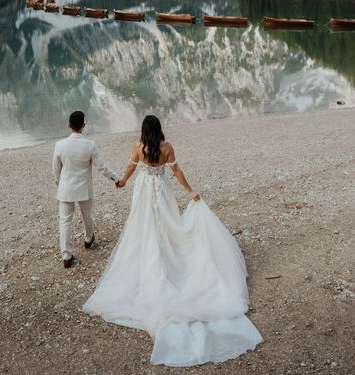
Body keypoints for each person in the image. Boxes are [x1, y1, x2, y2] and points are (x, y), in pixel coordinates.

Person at [83, 115, 263, 367]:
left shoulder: (138, 147)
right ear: (159, 129)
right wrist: (190, 191)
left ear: (144, 130)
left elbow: (132, 168)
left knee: (142, 225)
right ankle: (168, 254)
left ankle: (149, 258)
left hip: (144, 190)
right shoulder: (167, 148)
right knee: (167, 223)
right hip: (160, 189)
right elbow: (176, 171)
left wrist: (122, 182)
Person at [52, 110, 119, 268]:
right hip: (84, 189)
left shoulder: (60, 145)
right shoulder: (90, 145)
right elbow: (102, 167)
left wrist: (59, 183)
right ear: (84, 125)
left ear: (68, 125)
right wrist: (116, 178)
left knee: (65, 221)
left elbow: (55, 170)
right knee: (87, 216)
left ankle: (66, 255)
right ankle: (88, 239)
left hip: (66, 188)